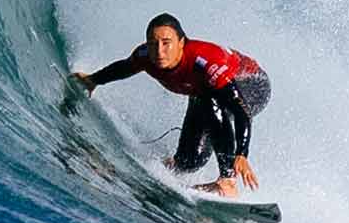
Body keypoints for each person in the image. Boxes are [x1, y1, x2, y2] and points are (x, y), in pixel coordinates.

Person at [71, 13, 272, 198]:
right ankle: (177, 165)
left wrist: (242, 154)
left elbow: (239, 110)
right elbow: (124, 68)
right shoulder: (146, 56)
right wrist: (93, 80)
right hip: (204, 92)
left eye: (166, 43)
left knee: (210, 100)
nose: (159, 51)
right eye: (153, 43)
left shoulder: (205, 63)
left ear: (181, 43)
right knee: (188, 162)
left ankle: (226, 181)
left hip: (251, 85)